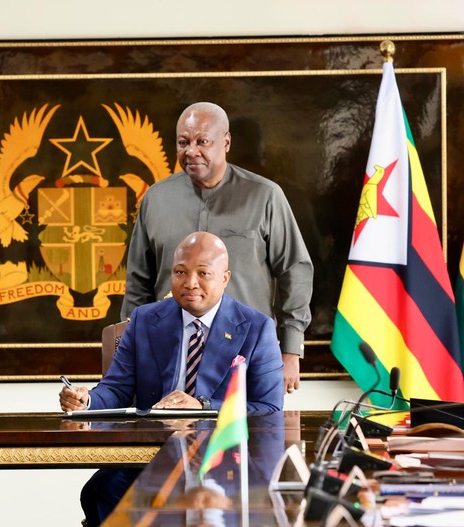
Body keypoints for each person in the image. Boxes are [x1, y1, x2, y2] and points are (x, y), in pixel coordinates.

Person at [61, 231, 283, 526]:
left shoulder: (256, 328)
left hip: (223, 457)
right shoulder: (145, 320)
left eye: (203, 273)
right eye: (181, 272)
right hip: (152, 452)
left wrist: (203, 405)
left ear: (225, 278)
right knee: (102, 489)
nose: (190, 283)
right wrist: (87, 400)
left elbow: (269, 408)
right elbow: (116, 388)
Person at [121, 102, 313, 395]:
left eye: (202, 141)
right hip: (169, 356)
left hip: (247, 352)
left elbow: (294, 271)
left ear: (226, 142)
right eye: (183, 142)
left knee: (249, 439)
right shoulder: (155, 200)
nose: (191, 151)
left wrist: (290, 350)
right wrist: (129, 352)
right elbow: (138, 281)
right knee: (164, 438)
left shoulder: (264, 196)